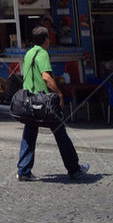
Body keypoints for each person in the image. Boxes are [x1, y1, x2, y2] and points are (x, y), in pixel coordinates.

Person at [16, 26, 89, 182]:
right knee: (61, 134)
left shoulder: (28, 53)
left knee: (29, 135)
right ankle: (74, 169)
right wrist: (59, 93)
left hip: (28, 102)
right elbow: (46, 77)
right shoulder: (42, 53)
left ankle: (23, 170)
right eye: (48, 37)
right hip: (43, 103)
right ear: (46, 39)